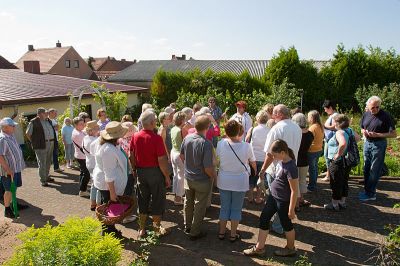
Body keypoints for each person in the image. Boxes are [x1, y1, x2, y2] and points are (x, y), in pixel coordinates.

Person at [244, 140, 299, 257]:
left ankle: (290, 248)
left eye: (275, 155)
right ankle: (259, 248)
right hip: (273, 197)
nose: (273, 157)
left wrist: (291, 209)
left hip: (283, 201)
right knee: (264, 218)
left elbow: (294, 190)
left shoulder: (291, 167)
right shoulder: (282, 161)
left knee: (286, 224)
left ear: (283, 152)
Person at [258, 104, 302, 235]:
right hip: (292, 166)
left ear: (280, 115)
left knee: (276, 199)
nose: (272, 116)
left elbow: (270, 154)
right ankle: (280, 224)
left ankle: (278, 226)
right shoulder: (297, 127)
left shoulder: (277, 128)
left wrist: (263, 170)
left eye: (274, 113)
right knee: (285, 198)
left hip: (277, 169)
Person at [129, 110, 171, 238]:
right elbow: (162, 160)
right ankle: (156, 228)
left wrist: (134, 170)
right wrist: (167, 176)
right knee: (157, 199)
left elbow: (131, 155)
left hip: (141, 172)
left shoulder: (135, 136)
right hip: (155, 172)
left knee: (142, 199)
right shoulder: (156, 138)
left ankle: (141, 229)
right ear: (152, 122)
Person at [217, 120, 256, 242]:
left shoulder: (221, 143)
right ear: (239, 131)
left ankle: (221, 233)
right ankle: (233, 234)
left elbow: (217, 159)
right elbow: (253, 163)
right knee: (236, 209)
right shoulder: (246, 146)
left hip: (224, 179)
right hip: (240, 181)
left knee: (224, 207)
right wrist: (254, 172)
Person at [180, 115, 217, 240]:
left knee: (188, 203)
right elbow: (208, 168)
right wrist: (214, 177)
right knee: (199, 206)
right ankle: (195, 232)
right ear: (207, 127)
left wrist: (190, 166)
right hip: (202, 179)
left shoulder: (187, 138)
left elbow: (182, 156)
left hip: (188, 177)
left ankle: (187, 226)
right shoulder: (206, 144)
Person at [92, 121, 128, 237]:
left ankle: (110, 232)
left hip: (107, 184)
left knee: (108, 210)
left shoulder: (110, 145)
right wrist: (112, 193)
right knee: (108, 211)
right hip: (108, 186)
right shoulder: (108, 150)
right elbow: (109, 174)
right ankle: (109, 235)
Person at [360, 96, 397, 201]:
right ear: (367, 106)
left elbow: (394, 134)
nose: (375, 109)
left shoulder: (386, 116)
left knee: (374, 169)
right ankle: (367, 191)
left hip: (379, 144)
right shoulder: (366, 113)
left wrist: (378, 135)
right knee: (366, 168)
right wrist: (364, 132)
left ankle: (371, 194)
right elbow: (362, 127)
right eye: (372, 107)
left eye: (377, 107)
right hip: (367, 143)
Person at [324, 114, 360, 210]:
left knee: (335, 182)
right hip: (346, 160)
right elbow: (358, 138)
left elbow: (343, 143)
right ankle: (342, 202)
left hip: (338, 161)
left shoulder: (339, 132)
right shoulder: (349, 130)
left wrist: (338, 154)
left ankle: (334, 204)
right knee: (344, 181)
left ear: (337, 123)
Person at [0, 118, 26, 218]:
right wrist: (7, 169)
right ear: (5, 127)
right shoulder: (2, 139)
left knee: (13, 188)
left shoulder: (11, 136)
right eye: (12, 126)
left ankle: (14, 203)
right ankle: (7, 209)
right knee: (8, 190)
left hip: (16, 168)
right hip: (8, 171)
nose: (14, 127)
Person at [26, 108, 56, 187]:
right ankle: (43, 180)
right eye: (45, 113)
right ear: (39, 114)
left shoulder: (48, 120)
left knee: (48, 161)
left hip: (51, 143)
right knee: (42, 162)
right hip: (40, 145)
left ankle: (46, 176)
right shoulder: (33, 122)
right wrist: (34, 141)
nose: (47, 114)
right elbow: (28, 134)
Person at [245, 110, 270, 204]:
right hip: (264, 158)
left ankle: (250, 196)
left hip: (253, 157)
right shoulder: (269, 130)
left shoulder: (253, 129)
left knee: (251, 177)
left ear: (257, 118)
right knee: (261, 178)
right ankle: (258, 198)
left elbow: (246, 141)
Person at [292, 113, 313, 209]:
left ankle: (296, 204)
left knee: (295, 182)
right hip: (305, 159)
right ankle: (301, 199)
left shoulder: (296, 133)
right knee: (303, 181)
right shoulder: (310, 134)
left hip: (296, 159)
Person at [82, 121, 100, 211]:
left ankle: (93, 203)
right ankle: (98, 205)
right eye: (96, 128)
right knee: (99, 185)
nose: (98, 130)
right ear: (91, 131)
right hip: (95, 164)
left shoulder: (85, 138)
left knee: (94, 184)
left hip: (89, 163)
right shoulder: (94, 140)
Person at [170, 111, 186, 205]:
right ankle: (178, 198)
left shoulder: (173, 128)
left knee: (176, 175)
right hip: (179, 154)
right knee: (181, 176)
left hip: (173, 152)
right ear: (182, 120)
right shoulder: (181, 130)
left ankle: (176, 194)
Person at [71, 117, 90, 197]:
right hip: (82, 156)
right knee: (87, 174)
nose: (83, 125)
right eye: (81, 124)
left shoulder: (78, 131)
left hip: (80, 155)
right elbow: (86, 145)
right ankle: (82, 190)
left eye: (83, 123)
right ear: (75, 125)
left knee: (83, 173)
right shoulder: (77, 134)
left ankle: (82, 188)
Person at [307, 110, 324, 192]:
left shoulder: (312, 128)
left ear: (312, 118)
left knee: (312, 169)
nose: (307, 118)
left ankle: (312, 186)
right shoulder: (320, 126)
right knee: (315, 168)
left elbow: (309, 140)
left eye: (308, 117)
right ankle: (314, 184)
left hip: (312, 151)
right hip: (319, 149)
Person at [322, 100, 338, 182]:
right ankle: (329, 173)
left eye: (326, 109)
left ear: (330, 108)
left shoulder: (335, 116)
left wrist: (324, 126)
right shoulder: (332, 115)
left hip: (331, 140)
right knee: (327, 156)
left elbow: (335, 127)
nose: (325, 110)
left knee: (328, 157)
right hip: (328, 140)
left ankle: (329, 175)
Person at [48, 108, 63, 173]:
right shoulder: (48, 120)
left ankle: (56, 167)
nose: (56, 114)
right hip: (51, 140)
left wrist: (56, 127)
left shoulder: (53, 120)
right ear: (50, 113)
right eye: (55, 113)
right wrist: (56, 127)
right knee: (52, 154)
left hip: (55, 139)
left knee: (55, 154)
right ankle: (53, 168)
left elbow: (57, 127)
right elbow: (52, 128)